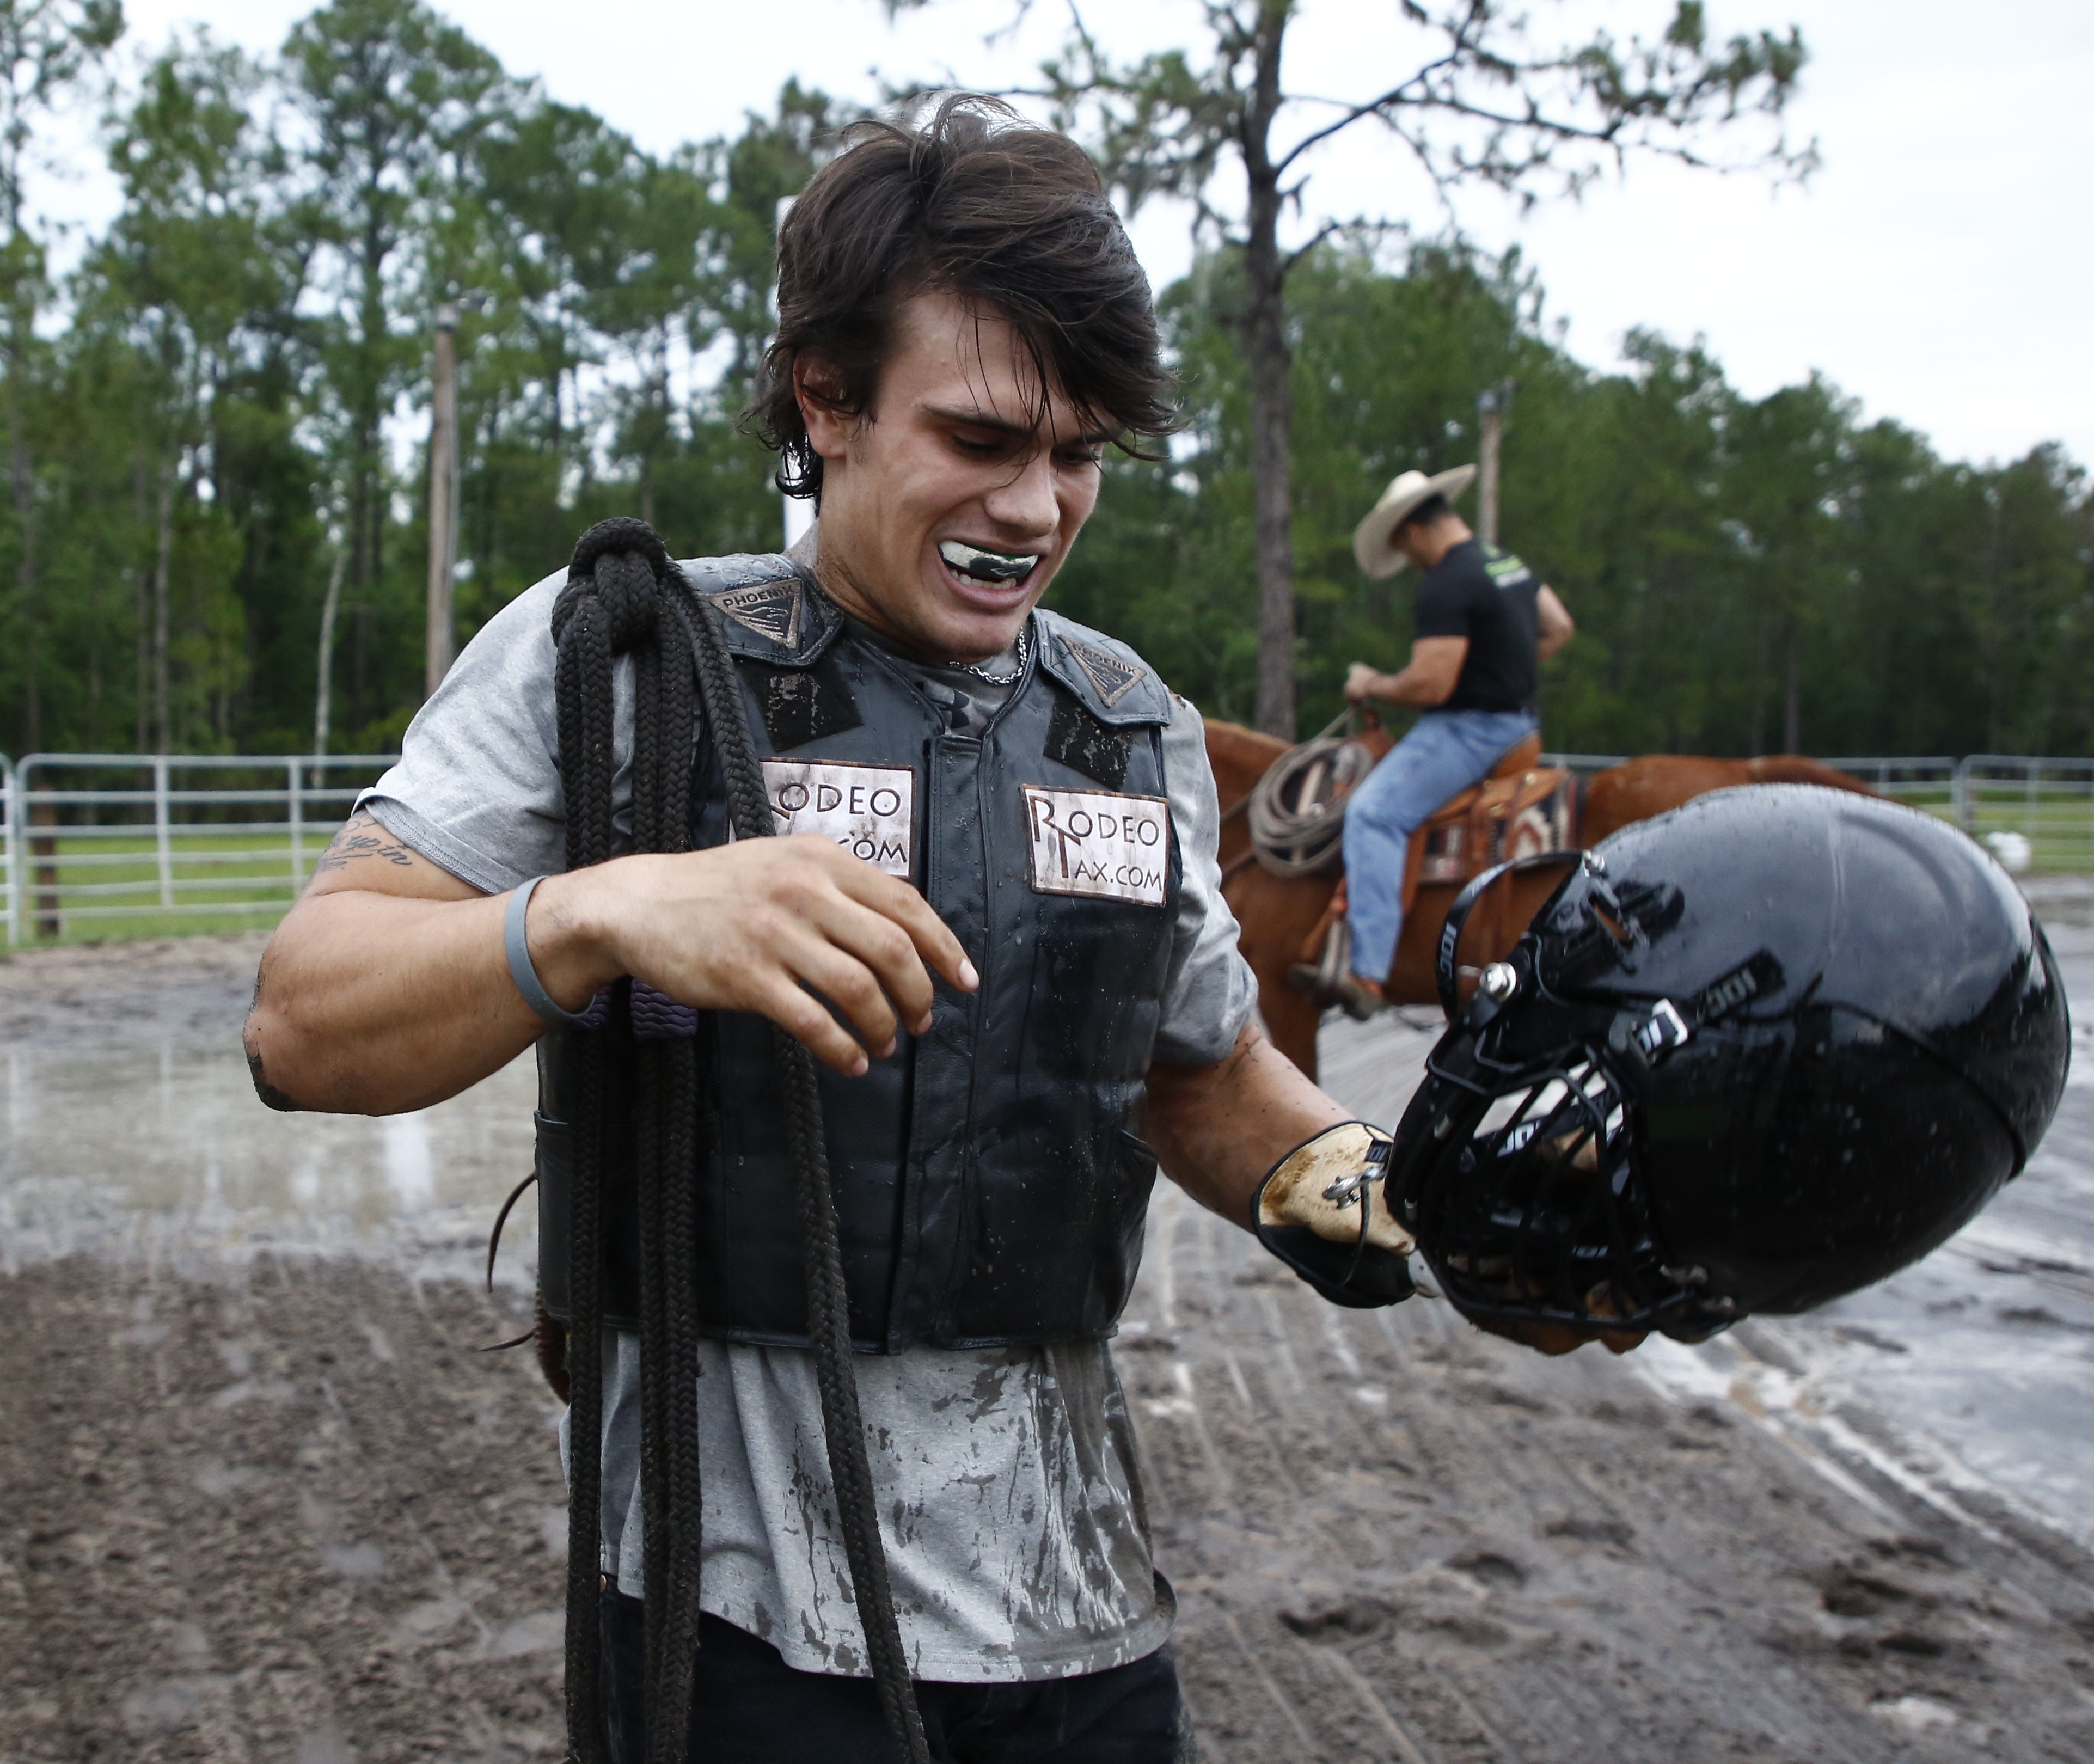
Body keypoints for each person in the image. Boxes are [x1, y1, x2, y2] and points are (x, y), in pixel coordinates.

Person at [244, 96, 1410, 1764]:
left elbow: (1207, 1079)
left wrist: (1414, 1203)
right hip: (729, 1633)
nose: (1034, 507)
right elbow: (302, 1019)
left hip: (1080, 1620)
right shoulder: (629, 662)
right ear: (828, 400)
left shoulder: (1129, 723)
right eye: (983, 438)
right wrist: (603, 911)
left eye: (1077, 455)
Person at [1324, 469, 1578, 1019]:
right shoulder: (1505, 563)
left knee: (1373, 813)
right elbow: (1559, 627)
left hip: (1470, 730)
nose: (1407, 558)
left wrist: (1371, 684)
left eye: (1401, 547)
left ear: (1412, 531)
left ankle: (1367, 972)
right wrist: (1501, 669)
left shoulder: (1446, 582)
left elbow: (1429, 685)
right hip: (1520, 726)